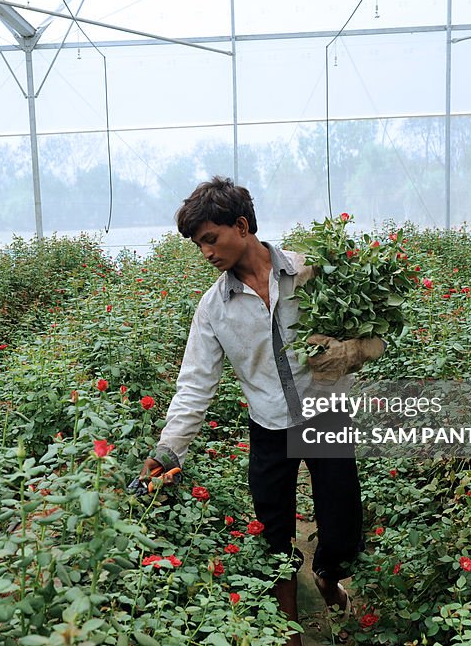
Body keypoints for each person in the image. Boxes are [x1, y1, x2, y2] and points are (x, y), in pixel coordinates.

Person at [138, 177, 384, 645]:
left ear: (243, 225)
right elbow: (194, 385)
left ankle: (328, 575)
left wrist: (348, 352)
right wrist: (168, 451)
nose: (205, 252)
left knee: (344, 527)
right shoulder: (214, 309)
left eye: (210, 238)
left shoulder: (313, 272)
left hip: (326, 415)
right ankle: (289, 632)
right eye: (198, 244)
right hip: (269, 427)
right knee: (273, 535)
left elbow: (377, 336)